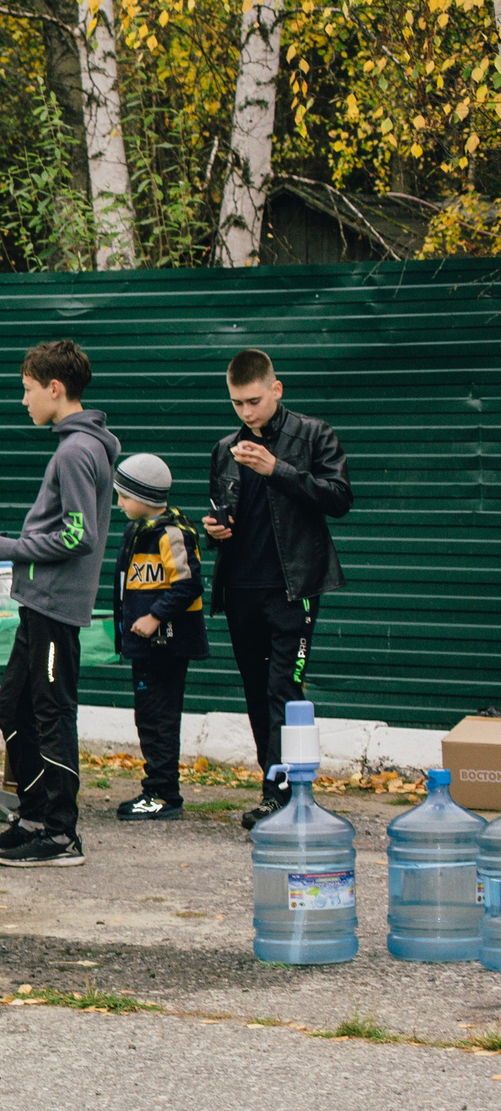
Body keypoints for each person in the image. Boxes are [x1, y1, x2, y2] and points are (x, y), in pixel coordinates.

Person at [0, 339, 120, 868]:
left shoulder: (77, 451)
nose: (24, 401)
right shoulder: (76, 446)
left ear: (54, 389)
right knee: (12, 706)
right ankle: (33, 817)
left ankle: (62, 835)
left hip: (56, 606)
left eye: (28, 390)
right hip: (38, 601)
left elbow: (78, 536)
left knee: (51, 713)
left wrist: (11, 548)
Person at [202, 348, 352, 828]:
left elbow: (339, 498)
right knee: (254, 689)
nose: (246, 412)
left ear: (276, 390)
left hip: (296, 585)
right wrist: (215, 529)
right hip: (242, 586)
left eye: (254, 401)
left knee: (284, 687)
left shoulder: (313, 434)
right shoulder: (225, 448)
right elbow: (224, 513)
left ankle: (280, 793)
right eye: (237, 404)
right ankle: (277, 782)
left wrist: (276, 469)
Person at [110, 453, 206, 822]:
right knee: (148, 717)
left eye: (124, 496)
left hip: (166, 642)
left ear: (144, 495)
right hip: (144, 644)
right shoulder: (137, 531)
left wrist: (153, 617)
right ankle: (157, 788)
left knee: (160, 718)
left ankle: (163, 794)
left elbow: (188, 584)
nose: (119, 504)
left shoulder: (171, 533)